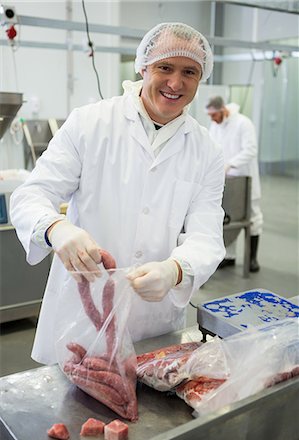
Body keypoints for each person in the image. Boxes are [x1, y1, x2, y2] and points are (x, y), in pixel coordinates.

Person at [10, 22, 225, 366]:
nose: (175, 83)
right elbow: (30, 195)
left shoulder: (206, 151)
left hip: (154, 322)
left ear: (201, 78)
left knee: (150, 412)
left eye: (190, 72)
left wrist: (176, 270)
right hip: (81, 315)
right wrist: (55, 228)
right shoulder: (90, 123)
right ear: (143, 67)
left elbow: (207, 236)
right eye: (164, 67)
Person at [206, 95, 263, 272]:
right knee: (227, 216)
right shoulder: (215, 125)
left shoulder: (243, 123)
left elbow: (251, 150)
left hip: (244, 179)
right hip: (224, 179)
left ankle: (252, 258)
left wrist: (231, 164)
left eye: (214, 115)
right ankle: (229, 256)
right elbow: (210, 146)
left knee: (252, 216)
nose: (212, 119)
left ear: (223, 110)